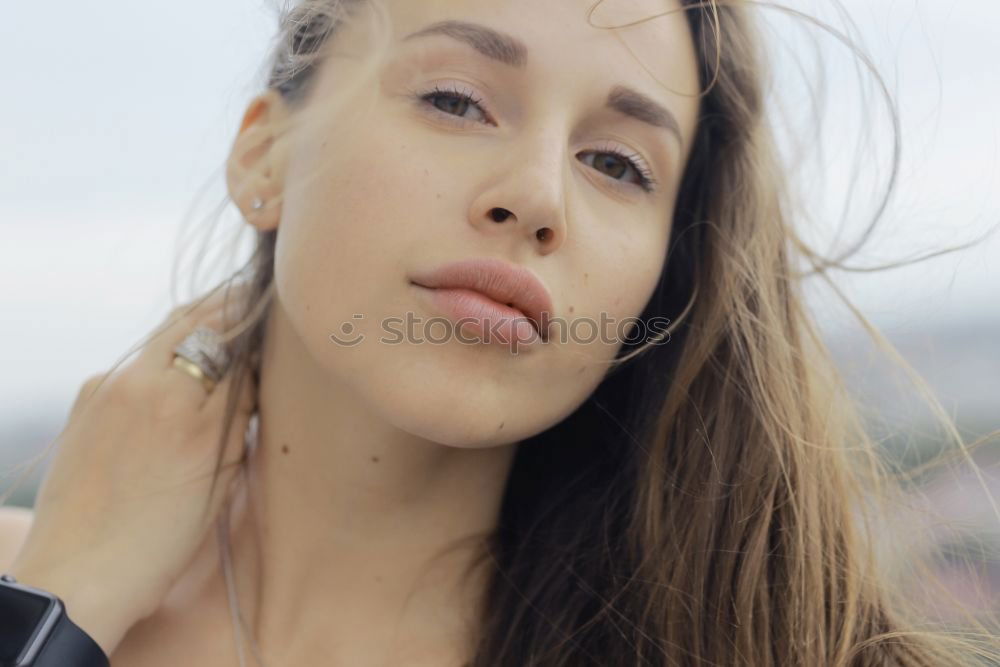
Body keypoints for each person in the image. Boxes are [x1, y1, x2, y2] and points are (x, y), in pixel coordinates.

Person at [3, 0, 999, 665]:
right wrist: (60, 604)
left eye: (616, 163)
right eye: (455, 100)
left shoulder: (751, 642)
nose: (534, 196)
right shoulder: (29, 577)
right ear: (265, 152)